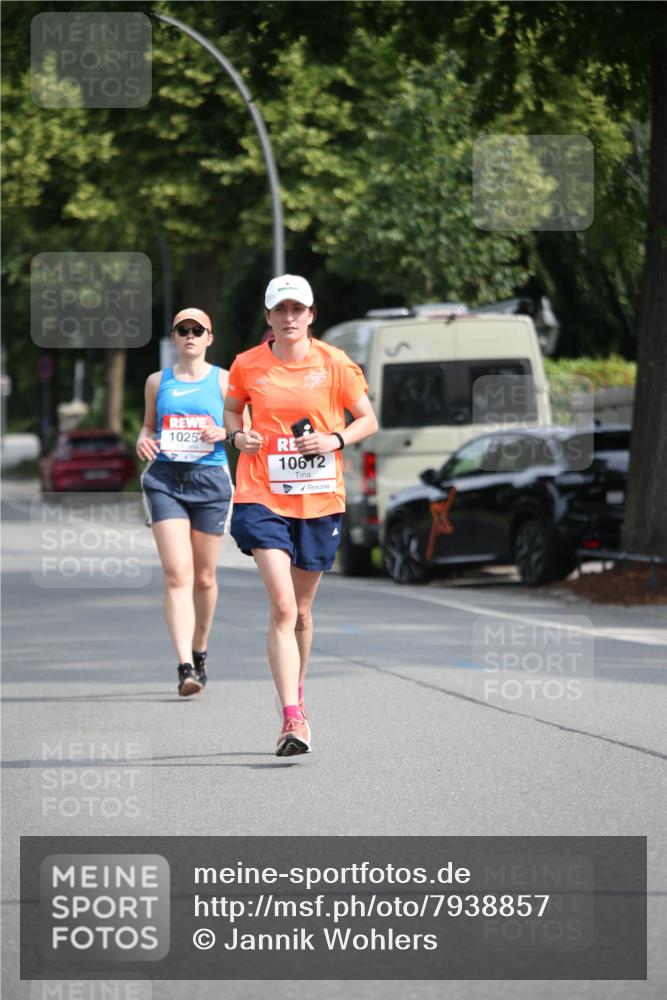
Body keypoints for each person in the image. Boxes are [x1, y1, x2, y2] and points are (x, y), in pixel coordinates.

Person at [224, 275, 378, 756]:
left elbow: (368, 420)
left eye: (297, 309)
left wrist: (334, 439)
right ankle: (291, 717)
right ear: (268, 317)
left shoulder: (334, 363)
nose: (289, 317)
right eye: (281, 310)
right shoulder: (247, 364)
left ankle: (297, 693)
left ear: (311, 315)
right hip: (262, 494)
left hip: (318, 499)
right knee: (284, 607)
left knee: (303, 612)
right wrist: (238, 437)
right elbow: (232, 413)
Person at [136, 307, 234, 696]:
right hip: (166, 480)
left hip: (210, 481)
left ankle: (200, 648)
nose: (190, 335)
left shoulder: (225, 381)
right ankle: (185, 668)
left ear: (210, 337)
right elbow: (148, 426)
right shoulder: (156, 382)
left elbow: (245, 428)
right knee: (178, 573)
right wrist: (143, 439)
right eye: (183, 330)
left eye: (198, 330)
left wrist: (222, 431)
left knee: (205, 577)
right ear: (174, 338)